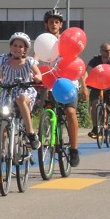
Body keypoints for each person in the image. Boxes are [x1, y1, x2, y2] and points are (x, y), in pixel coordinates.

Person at [0, 32, 43, 181]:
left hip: (24, 91)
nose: (17, 49)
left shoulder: (30, 62)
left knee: (20, 98)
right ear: (10, 46)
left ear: (25, 49)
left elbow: (38, 74)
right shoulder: (4, 59)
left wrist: (37, 77)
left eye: (21, 46)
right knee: (2, 133)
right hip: (8, 92)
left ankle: (31, 133)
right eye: (15, 45)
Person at [40, 10, 81, 167]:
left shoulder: (67, 41)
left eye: (56, 22)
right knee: (46, 110)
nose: (53, 24)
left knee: (70, 112)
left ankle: (74, 149)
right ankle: (46, 136)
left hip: (68, 83)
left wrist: (83, 85)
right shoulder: (43, 41)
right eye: (51, 22)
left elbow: (78, 63)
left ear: (61, 24)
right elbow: (36, 58)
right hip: (50, 82)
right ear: (46, 24)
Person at [84, 42, 110, 139]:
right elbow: (88, 71)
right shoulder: (95, 60)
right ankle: (95, 127)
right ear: (101, 51)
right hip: (97, 85)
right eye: (106, 51)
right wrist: (86, 82)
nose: (108, 53)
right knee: (95, 104)